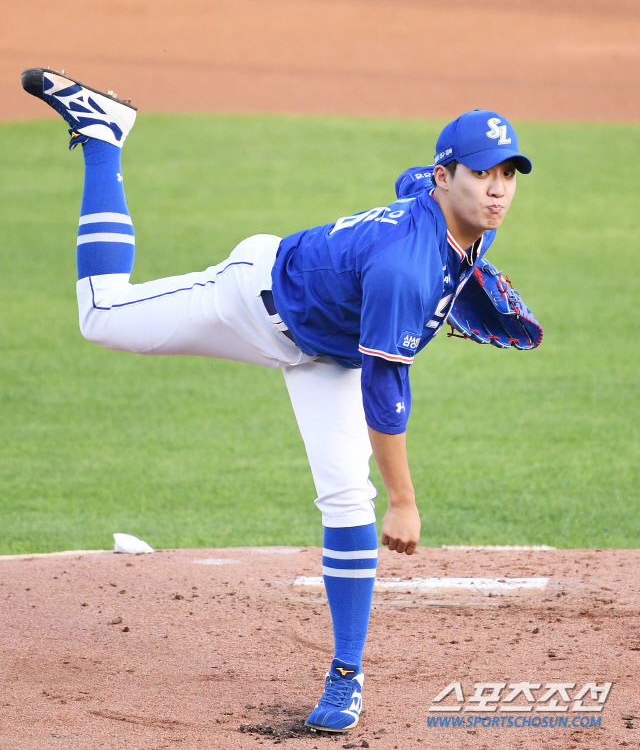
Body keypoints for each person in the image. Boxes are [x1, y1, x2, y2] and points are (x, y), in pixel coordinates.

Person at [21, 68, 532, 734]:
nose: (497, 189)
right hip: (251, 302)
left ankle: (346, 674)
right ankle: (104, 137)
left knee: (346, 498)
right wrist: (405, 501)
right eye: (481, 173)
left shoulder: (457, 213)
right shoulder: (405, 268)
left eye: (508, 174)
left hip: (328, 355)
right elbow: (384, 390)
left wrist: (461, 274)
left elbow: (407, 182)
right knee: (102, 315)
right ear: (446, 176)